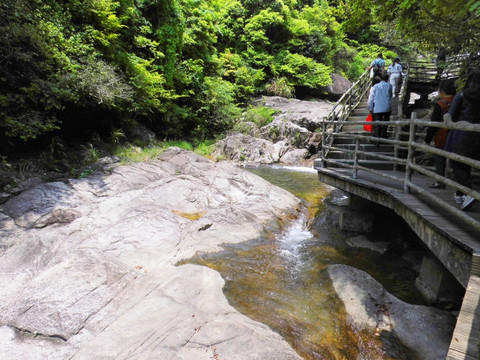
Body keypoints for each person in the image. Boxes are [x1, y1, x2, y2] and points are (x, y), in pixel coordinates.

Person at [444, 68, 480, 210]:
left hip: (461, 134)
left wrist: (448, 123)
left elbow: (450, 114)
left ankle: (468, 192)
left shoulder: (462, 95)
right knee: (468, 164)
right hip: (478, 135)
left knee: (458, 165)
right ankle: (460, 195)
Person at [424, 80, 456, 189]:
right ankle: (460, 185)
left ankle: (440, 182)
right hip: (457, 134)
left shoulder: (440, 104)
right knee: (457, 160)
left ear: (442, 91)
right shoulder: (458, 101)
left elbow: (433, 123)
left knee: (440, 159)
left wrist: (427, 140)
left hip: (442, 135)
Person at [368, 73, 392, 144]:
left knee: (377, 123)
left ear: (381, 79)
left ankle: (377, 138)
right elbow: (390, 96)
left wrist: (370, 108)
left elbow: (371, 99)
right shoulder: (389, 86)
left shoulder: (375, 87)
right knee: (385, 122)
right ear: (387, 79)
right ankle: (383, 136)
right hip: (387, 107)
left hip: (377, 108)